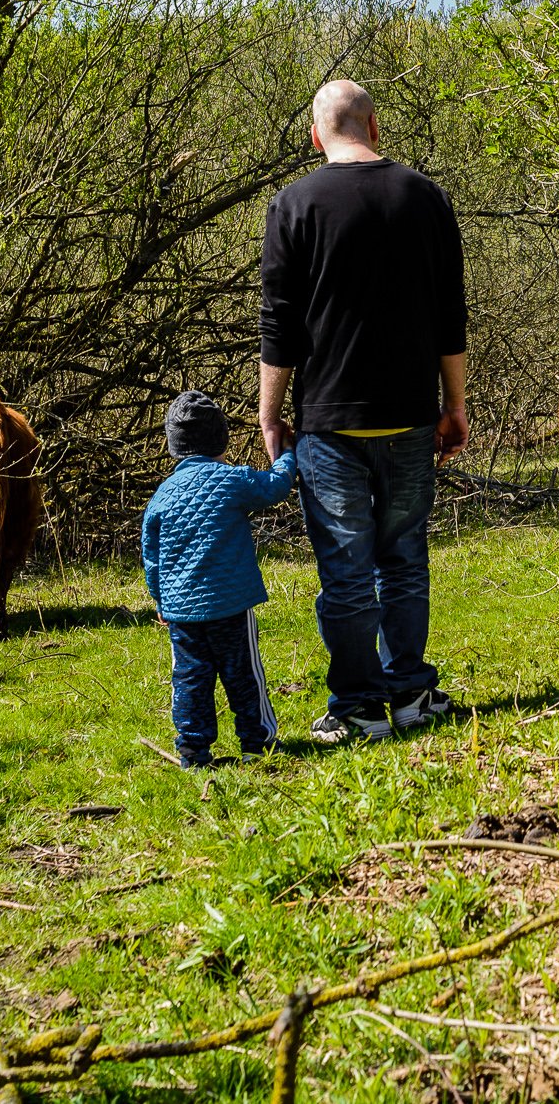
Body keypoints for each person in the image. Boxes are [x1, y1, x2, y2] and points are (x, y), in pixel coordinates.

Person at [259, 79, 469, 745]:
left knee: (345, 570)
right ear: (375, 129)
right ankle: (408, 692)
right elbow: (450, 315)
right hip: (411, 414)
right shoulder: (426, 198)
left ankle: (359, 706)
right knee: (403, 557)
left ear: (316, 136)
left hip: (329, 422)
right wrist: (455, 401)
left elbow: (279, 327)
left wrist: (270, 414)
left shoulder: (292, 206)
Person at [141, 390, 297, 768]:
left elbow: (152, 557)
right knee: (244, 675)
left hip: (182, 613)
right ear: (221, 439)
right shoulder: (232, 480)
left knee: (190, 680)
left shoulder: (161, 497)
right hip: (229, 605)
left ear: (173, 445)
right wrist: (289, 451)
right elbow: (275, 486)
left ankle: (193, 751)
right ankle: (257, 744)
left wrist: (160, 599)